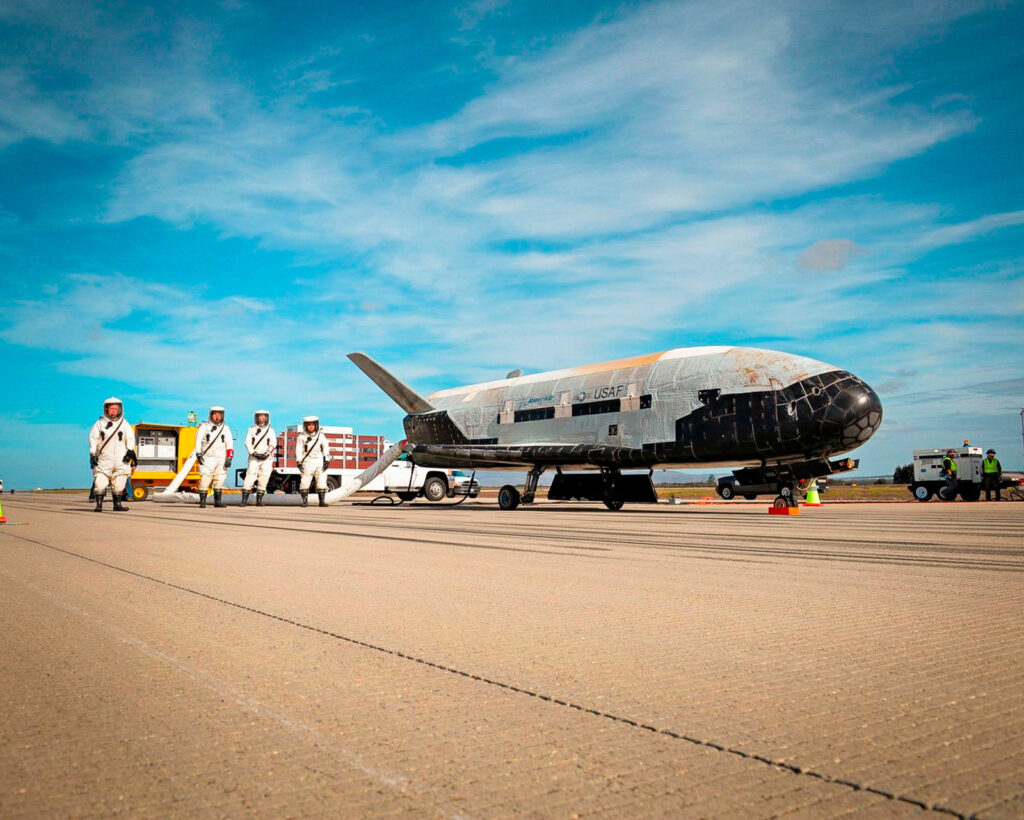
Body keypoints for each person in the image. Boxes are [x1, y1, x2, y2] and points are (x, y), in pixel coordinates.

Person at [88, 397, 136, 512]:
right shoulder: (99, 424)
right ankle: (99, 505)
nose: (113, 411)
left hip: (121, 458)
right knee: (100, 480)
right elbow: (93, 439)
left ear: (120, 410)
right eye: (111, 409)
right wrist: (93, 453)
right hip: (105, 458)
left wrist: (130, 450)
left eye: (116, 409)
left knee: (120, 481)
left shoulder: (124, 424)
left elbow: (130, 437)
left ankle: (117, 505)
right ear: (106, 409)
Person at [193, 406, 234, 508]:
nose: (217, 417)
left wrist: (229, 457)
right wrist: (198, 453)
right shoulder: (204, 427)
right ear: (211, 415)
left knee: (220, 478)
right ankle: (203, 502)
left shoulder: (226, 428)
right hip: (208, 457)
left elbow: (229, 443)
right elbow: (198, 440)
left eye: (219, 415)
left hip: (221, 457)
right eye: (215, 414)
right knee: (205, 478)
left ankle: (218, 502)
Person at [241, 409, 277, 506]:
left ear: (267, 418)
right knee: (250, 477)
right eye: (260, 416)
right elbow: (247, 443)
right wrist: (253, 453)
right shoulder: (251, 430)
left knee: (264, 478)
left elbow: (273, 443)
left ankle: (259, 501)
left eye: (264, 416)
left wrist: (267, 453)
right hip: (254, 458)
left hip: (267, 459)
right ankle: (244, 501)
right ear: (256, 418)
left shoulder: (271, 431)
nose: (262, 418)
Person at [296, 415, 331, 507]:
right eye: (309, 425)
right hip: (307, 461)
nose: (311, 427)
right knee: (305, 480)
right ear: (305, 426)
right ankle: (304, 501)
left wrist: (326, 460)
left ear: (316, 425)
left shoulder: (321, 436)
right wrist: (298, 462)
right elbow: (299, 450)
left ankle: (322, 501)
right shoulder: (301, 437)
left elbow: (326, 448)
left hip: (319, 460)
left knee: (322, 480)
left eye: (313, 425)